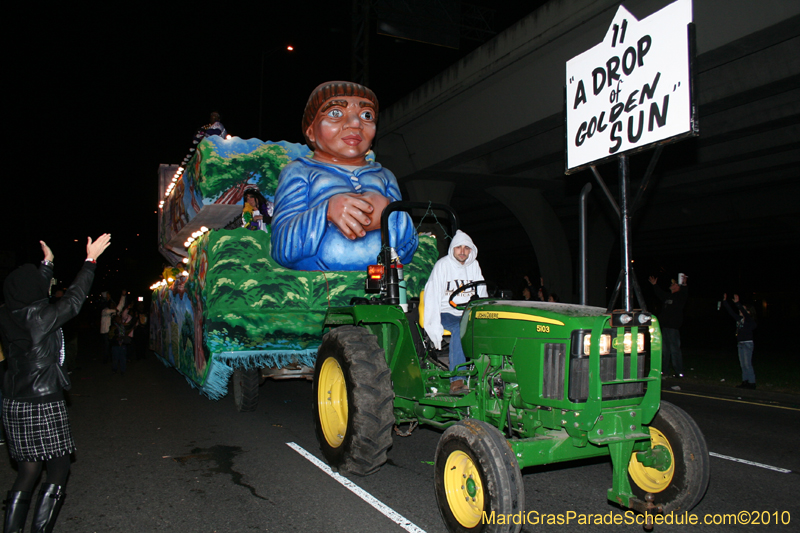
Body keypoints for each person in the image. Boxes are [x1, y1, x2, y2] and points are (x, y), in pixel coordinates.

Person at [0, 234, 111, 533]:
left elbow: (32, 290)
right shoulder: (40, 317)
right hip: (42, 400)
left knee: (28, 470)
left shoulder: (7, 313)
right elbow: (73, 300)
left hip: (13, 401)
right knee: (59, 468)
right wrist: (90, 262)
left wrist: (46, 264)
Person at [271, 81, 418, 270]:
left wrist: (390, 213)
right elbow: (282, 248)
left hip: (383, 282)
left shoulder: (384, 176)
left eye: (367, 115)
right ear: (310, 131)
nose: (355, 123)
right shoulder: (299, 171)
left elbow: (409, 247)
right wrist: (327, 211)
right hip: (320, 289)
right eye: (335, 113)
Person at [423, 230, 487, 394]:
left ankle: (488, 375)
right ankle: (457, 380)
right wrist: (432, 321)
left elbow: (482, 290)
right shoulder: (442, 265)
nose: (463, 251)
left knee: (489, 326)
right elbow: (432, 294)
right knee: (461, 328)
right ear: (453, 249)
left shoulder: (474, 266)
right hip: (447, 312)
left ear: (471, 250)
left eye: (467, 248)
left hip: (468, 312)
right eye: (459, 247)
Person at [648, 275, 688, 378]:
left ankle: (679, 372)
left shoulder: (680, 297)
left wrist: (683, 283)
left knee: (675, 351)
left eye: (674, 284)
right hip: (664, 328)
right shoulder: (668, 297)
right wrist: (654, 285)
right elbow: (660, 293)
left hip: (673, 328)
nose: (671, 284)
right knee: (665, 351)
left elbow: (684, 291)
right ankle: (664, 372)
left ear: (678, 287)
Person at [722, 293, 757, 389]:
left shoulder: (749, 321)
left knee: (747, 364)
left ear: (749, 312)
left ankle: (752, 382)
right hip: (740, 343)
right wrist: (725, 302)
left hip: (747, 344)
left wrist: (738, 304)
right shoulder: (740, 320)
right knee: (742, 364)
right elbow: (731, 312)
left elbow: (745, 313)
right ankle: (745, 381)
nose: (741, 311)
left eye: (744, 309)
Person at [99, 291, 126, 363]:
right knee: (106, 346)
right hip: (105, 331)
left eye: (113, 305)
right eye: (111, 305)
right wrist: (115, 309)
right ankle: (105, 359)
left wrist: (123, 296)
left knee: (112, 346)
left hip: (111, 332)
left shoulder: (113, 311)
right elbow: (108, 311)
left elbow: (120, 306)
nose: (113, 306)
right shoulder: (105, 311)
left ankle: (112, 359)